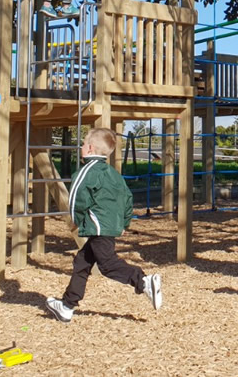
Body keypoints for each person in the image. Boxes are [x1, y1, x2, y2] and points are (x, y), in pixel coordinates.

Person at [45, 128, 161, 323]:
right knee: (82, 262)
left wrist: (76, 219)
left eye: (83, 144)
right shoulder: (113, 174)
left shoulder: (86, 172)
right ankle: (67, 306)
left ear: (89, 148)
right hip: (108, 225)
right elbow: (127, 198)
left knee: (107, 265)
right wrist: (124, 222)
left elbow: (76, 198)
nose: (81, 147)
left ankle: (142, 281)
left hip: (98, 227)